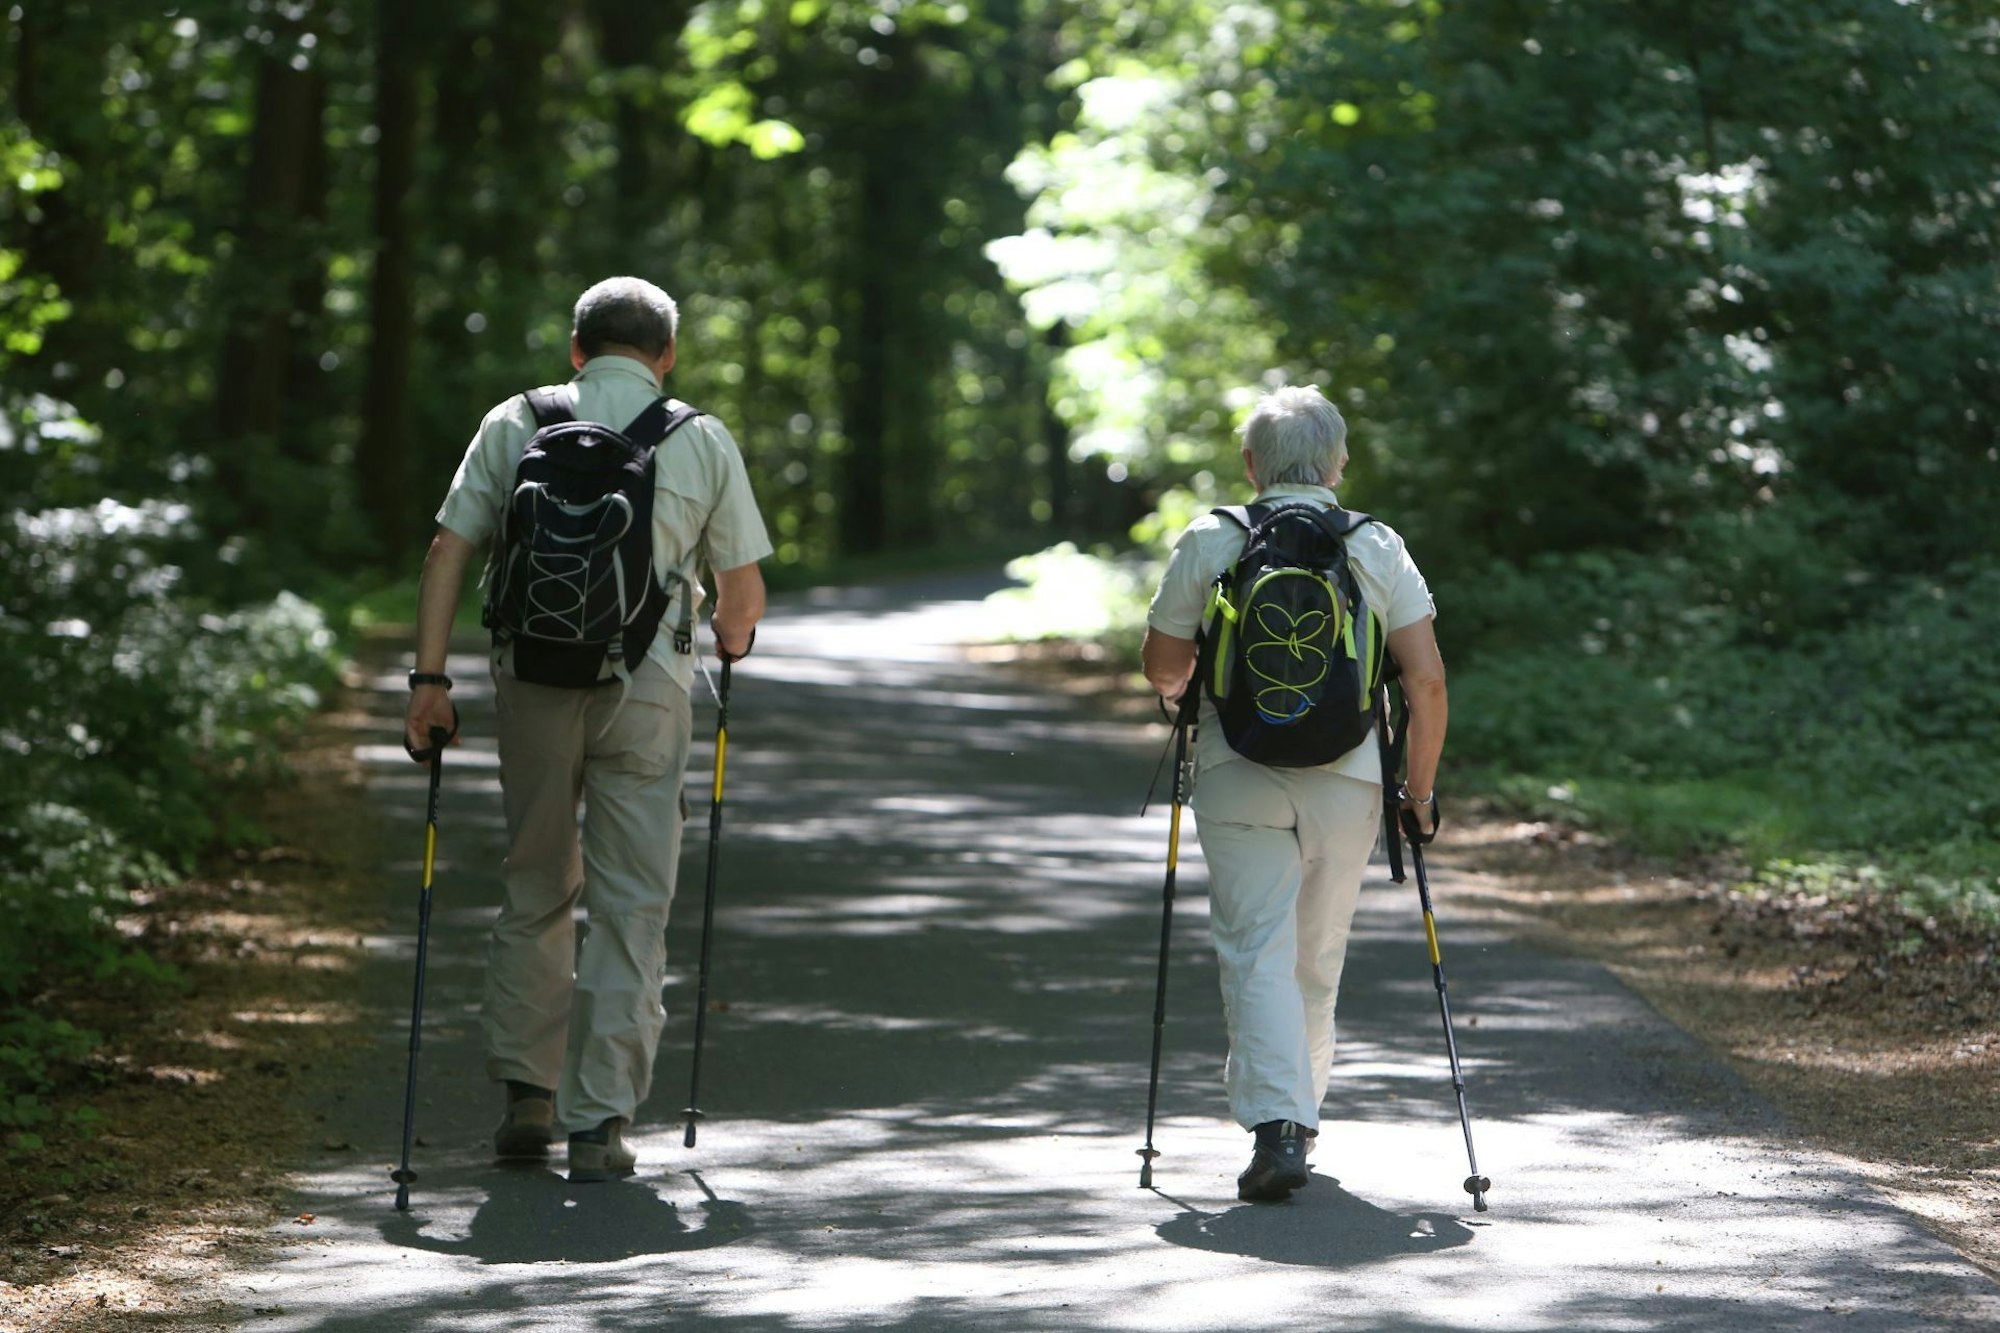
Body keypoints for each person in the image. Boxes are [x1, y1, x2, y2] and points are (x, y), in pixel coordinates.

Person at [402, 276, 772, 1183]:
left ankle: (527, 1098)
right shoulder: (700, 438)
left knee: (535, 884)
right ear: (667, 355)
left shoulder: (513, 421)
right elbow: (742, 603)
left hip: (531, 677)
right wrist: (731, 634)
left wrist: (430, 680)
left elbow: (450, 547)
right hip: (646, 689)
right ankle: (598, 1119)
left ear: (577, 348)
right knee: (630, 903)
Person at [1140, 384, 1446, 1203]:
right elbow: (1427, 680)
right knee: (1318, 951)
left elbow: (1165, 668)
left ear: (1251, 464)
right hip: (1349, 777)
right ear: (1338, 463)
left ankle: (1279, 1124)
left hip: (1238, 771)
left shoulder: (1214, 539)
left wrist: (1192, 685)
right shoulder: (1377, 546)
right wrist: (1417, 793)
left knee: (1255, 945)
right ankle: (1296, 1116)